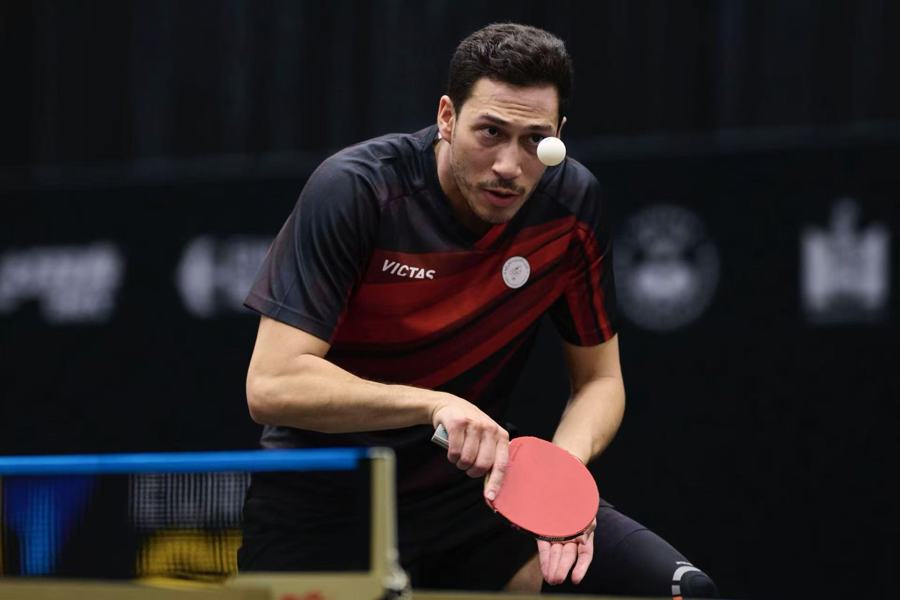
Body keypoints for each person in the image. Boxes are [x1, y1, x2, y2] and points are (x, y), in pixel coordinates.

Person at [238, 22, 718, 598]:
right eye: (490, 132)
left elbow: (600, 381)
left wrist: (559, 476)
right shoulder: (360, 190)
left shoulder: (570, 206)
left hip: (480, 498)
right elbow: (273, 383)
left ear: (559, 134)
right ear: (447, 117)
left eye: (535, 140)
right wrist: (434, 404)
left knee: (683, 592)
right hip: (326, 500)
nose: (509, 166)